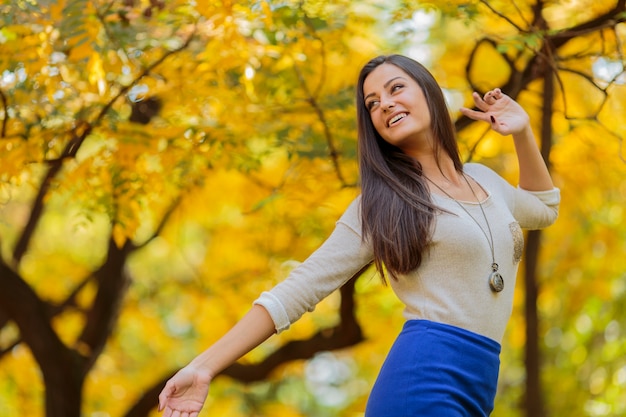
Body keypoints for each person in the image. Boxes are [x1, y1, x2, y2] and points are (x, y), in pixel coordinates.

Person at [158, 54, 560, 417]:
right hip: (424, 377)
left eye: (395, 88)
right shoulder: (383, 204)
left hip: (479, 379)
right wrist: (204, 366)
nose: (383, 104)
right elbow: (300, 288)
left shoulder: (483, 179)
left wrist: (522, 132)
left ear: (430, 92)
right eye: (371, 104)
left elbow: (543, 208)